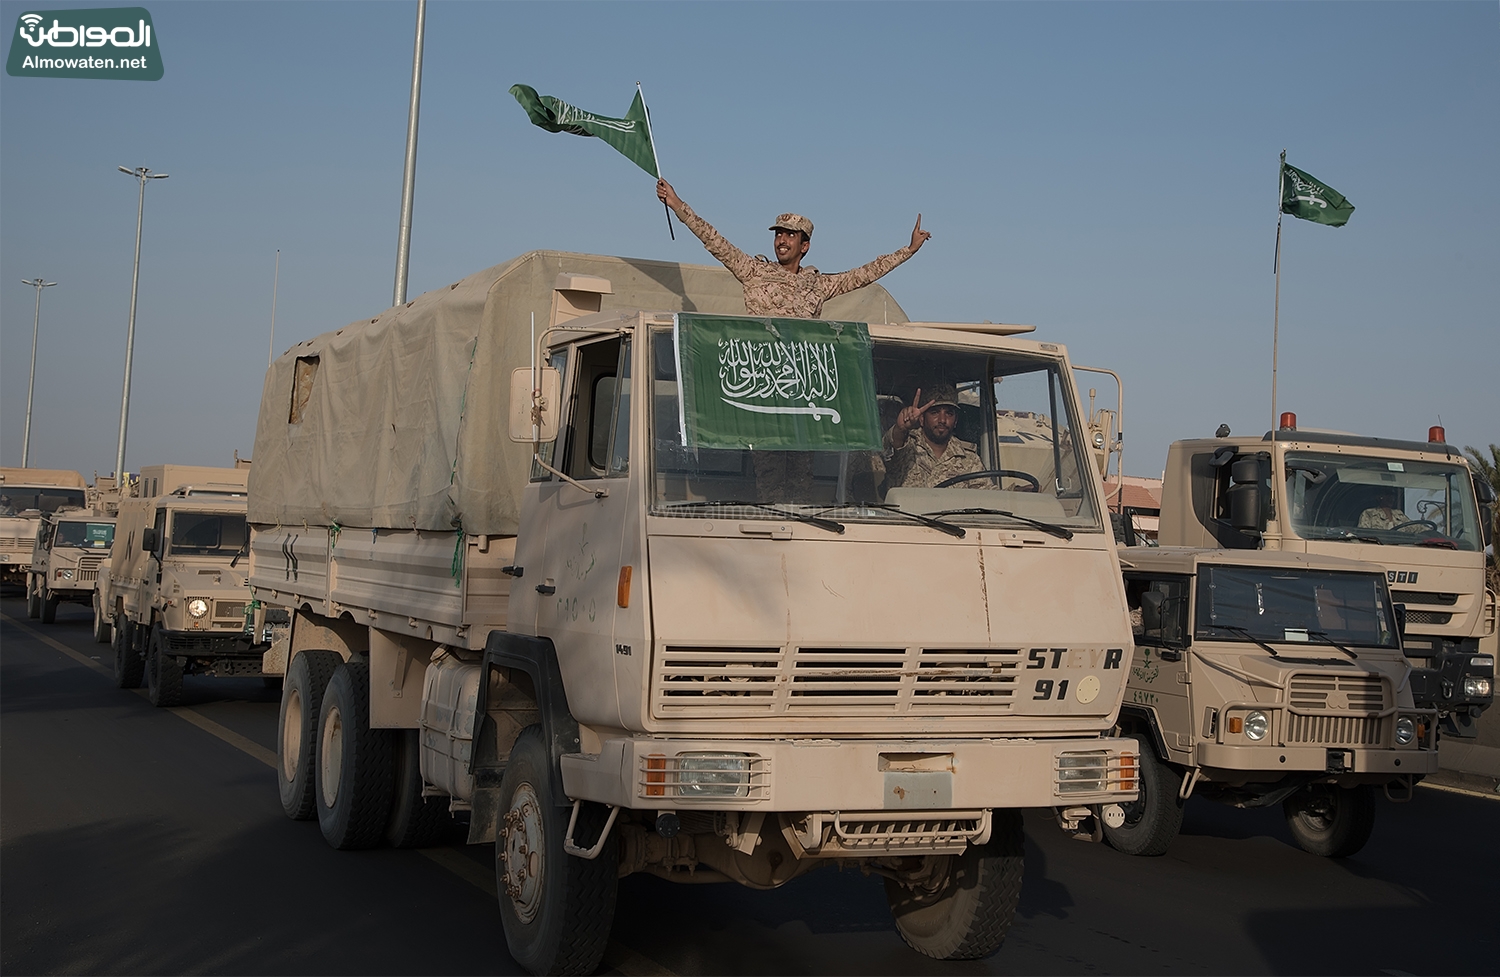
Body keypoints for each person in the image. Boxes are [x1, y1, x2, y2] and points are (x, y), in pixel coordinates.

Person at [655, 179, 930, 318]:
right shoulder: (753, 271)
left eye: (790, 236)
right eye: (779, 235)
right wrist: (678, 204)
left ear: (805, 246)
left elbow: (865, 273)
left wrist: (908, 250)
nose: (782, 240)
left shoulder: (818, 285)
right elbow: (715, 241)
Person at [883, 385, 985, 489]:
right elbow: (892, 446)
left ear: (956, 421)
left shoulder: (969, 458)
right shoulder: (908, 446)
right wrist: (900, 429)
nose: (942, 420)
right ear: (922, 419)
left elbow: (986, 495)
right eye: (935, 413)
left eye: (949, 413)